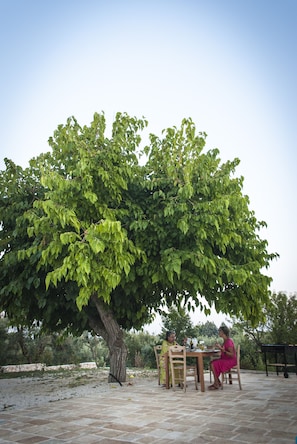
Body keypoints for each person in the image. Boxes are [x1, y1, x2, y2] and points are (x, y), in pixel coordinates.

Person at [208, 325, 237, 390]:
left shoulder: (229, 341)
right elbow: (223, 351)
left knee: (213, 364)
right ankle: (217, 381)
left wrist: (222, 350)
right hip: (225, 359)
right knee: (211, 363)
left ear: (223, 332)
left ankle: (216, 384)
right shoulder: (225, 341)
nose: (218, 332)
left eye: (219, 331)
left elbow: (232, 355)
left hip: (230, 360)